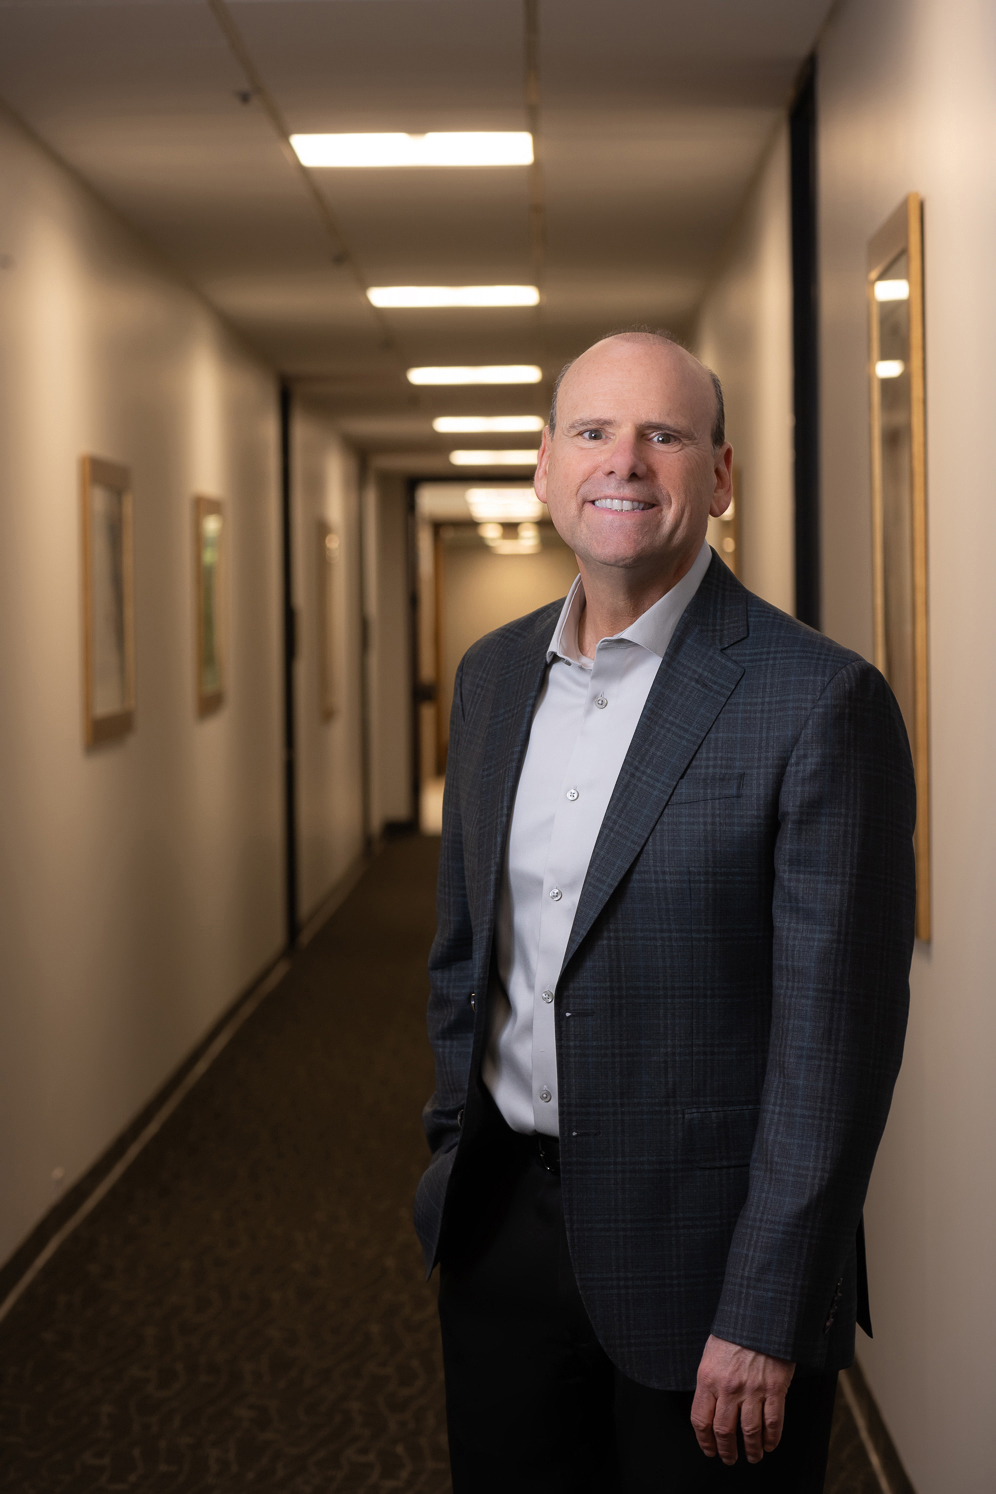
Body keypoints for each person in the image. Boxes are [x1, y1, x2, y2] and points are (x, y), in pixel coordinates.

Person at [416, 329, 915, 1492]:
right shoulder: (492, 680)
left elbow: (831, 1054)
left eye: (664, 435)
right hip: (501, 1238)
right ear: (544, 467)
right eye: (591, 432)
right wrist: (451, 1153)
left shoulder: (820, 700)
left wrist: (767, 1309)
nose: (623, 462)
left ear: (721, 476)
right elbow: (463, 955)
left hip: (709, 1282)